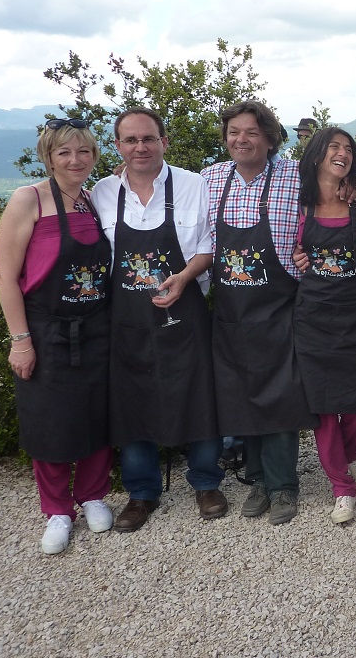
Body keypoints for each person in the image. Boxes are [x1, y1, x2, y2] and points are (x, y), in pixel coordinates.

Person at [92, 108, 225, 532]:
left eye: (148, 138)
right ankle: (141, 493)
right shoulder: (101, 192)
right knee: (132, 402)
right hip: (128, 322)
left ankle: (206, 483)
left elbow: (210, 247)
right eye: (130, 141)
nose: (140, 147)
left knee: (200, 395)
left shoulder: (193, 185)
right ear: (118, 147)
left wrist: (185, 277)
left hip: (185, 316)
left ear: (163, 142)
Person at [0, 119, 113, 554]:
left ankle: (94, 495)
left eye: (83, 151)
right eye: (64, 152)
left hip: (98, 325)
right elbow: (6, 277)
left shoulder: (94, 199)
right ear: (48, 156)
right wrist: (20, 339)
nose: (75, 160)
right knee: (49, 420)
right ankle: (58, 509)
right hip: (45, 328)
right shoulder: (29, 200)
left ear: (95, 156)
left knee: (97, 413)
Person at [201, 100, 317, 526]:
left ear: (269, 137)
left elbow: (327, 216)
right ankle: (259, 481)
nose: (241, 139)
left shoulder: (295, 175)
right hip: (231, 308)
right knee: (241, 393)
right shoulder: (211, 179)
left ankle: (284, 485)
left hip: (280, 306)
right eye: (233, 132)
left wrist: (312, 254)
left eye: (250, 132)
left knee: (281, 395)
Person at [293, 127, 356, 525]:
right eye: (334, 147)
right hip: (313, 315)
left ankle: (350, 453)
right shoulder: (298, 202)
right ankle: (341, 486)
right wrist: (296, 259)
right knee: (325, 408)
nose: (342, 153)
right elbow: (285, 249)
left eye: (348, 148)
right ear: (316, 156)